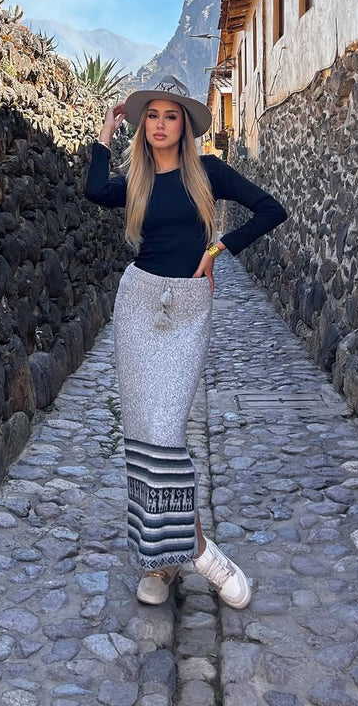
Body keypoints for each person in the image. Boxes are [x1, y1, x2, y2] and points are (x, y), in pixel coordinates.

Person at [85, 75, 286, 609]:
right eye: (152, 115)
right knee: (142, 434)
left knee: (166, 435)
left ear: (184, 125)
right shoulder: (137, 178)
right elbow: (93, 190)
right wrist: (105, 132)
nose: (160, 125)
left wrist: (219, 249)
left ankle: (197, 553)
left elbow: (271, 210)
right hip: (138, 302)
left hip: (189, 307)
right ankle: (163, 562)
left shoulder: (208, 172)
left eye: (170, 116)